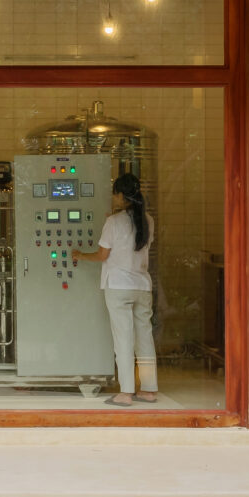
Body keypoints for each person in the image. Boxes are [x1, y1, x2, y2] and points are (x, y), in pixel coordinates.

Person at [71, 173, 156, 405]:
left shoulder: (113, 222)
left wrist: (80, 255)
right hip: (142, 286)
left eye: (115, 193)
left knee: (123, 339)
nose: (113, 197)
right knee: (144, 338)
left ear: (121, 196)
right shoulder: (148, 220)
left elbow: (102, 255)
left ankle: (126, 392)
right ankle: (148, 389)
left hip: (118, 286)